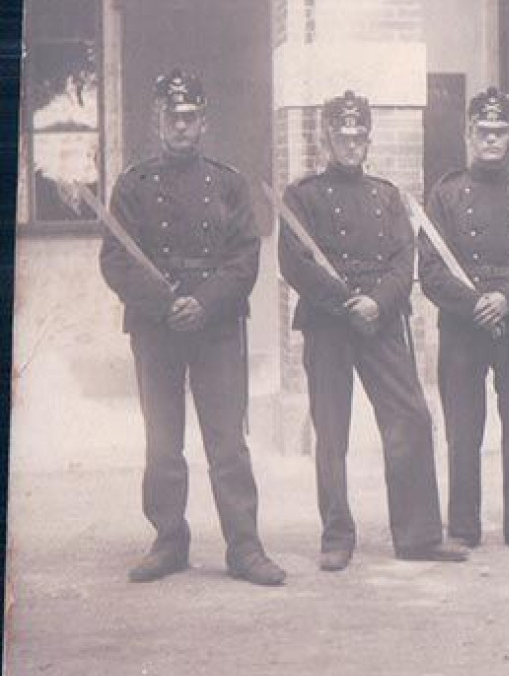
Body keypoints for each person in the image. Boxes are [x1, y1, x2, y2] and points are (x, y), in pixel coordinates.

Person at [98, 70, 285, 586]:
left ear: (204, 121)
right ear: (157, 120)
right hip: (156, 328)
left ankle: (244, 547)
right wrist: (166, 304)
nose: (181, 126)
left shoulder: (229, 184)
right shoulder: (132, 186)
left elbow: (245, 257)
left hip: (217, 326)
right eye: (171, 117)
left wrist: (202, 303)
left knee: (226, 441)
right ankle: (168, 540)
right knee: (162, 441)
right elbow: (115, 259)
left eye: (190, 117)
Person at [279, 90, 466, 571]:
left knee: (412, 418)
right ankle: (337, 536)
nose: (350, 141)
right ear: (327, 136)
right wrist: (346, 303)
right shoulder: (302, 196)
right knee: (332, 431)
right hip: (329, 323)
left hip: (381, 322)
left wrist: (377, 302)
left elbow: (405, 262)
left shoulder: (387, 196)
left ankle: (419, 535)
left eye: (358, 133)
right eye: (341, 133)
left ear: (368, 137)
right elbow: (295, 264)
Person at [420, 87, 509, 552]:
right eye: (482, 131)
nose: (491, 139)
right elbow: (431, 270)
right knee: (464, 429)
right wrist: (474, 304)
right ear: (468, 134)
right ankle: (463, 527)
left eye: (499, 131)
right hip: (464, 327)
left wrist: (506, 298)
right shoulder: (446, 194)